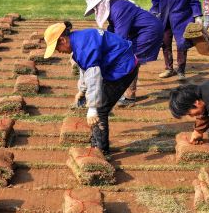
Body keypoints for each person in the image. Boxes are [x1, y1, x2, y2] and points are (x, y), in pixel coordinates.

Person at [44, 21, 138, 154]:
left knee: (100, 108)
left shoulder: (82, 48)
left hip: (124, 67)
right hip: (117, 63)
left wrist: (92, 108)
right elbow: (85, 69)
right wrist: (82, 90)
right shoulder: (78, 40)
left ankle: (100, 150)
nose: (58, 52)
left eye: (56, 48)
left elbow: (94, 77)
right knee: (98, 101)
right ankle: (96, 143)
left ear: (63, 40)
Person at [83, 0, 163, 106]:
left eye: (95, 8)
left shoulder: (118, 9)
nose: (96, 11)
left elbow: (120, 40)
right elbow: (111, 32)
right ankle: (127, 93)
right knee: (129, 59)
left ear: (101, 3)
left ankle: (129, 97)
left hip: (149, 31)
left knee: (132, 60)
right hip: (140, 31)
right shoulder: (113, 8)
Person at [150, 0, 202, 80]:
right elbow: (156, 0)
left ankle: (181, 71)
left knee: (182, 44)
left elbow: (194, 0)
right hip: (164, 17)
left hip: (183, 18)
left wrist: (198, 16)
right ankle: (169, 69)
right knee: (165, 43)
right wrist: (153, 14)